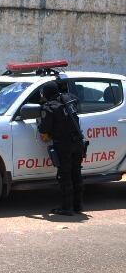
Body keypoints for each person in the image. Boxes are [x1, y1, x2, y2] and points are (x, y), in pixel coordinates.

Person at [38, 81, 86, 216]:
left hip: (64, 145)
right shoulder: (69, 99)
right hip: (78, 143)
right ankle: (78, 206)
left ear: (46, 94)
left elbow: (44, 128)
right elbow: (75, 99)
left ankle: (67, 208)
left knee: (65, 176)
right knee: (76, 174)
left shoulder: (49, 107)